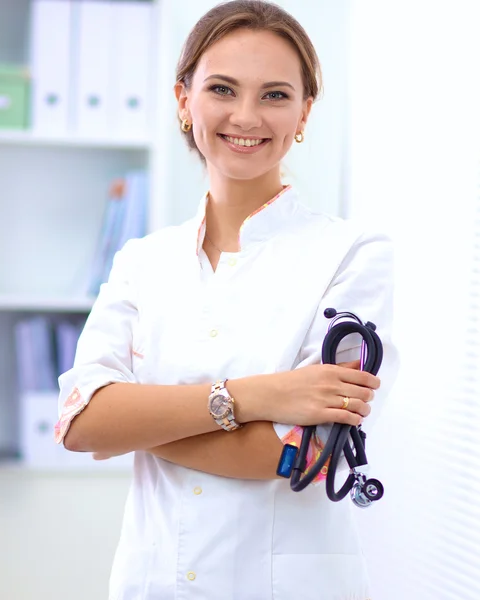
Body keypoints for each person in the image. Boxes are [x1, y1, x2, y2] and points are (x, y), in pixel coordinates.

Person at [55, 1, 400, 598]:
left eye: (274, 94)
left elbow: (301, 456)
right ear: (184, 101)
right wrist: (259, 396)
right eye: (222, 88)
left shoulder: (353, 252)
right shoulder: (143, 261)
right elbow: (82, 427)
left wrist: (131, 421)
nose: (247, 115)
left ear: (304, 112)